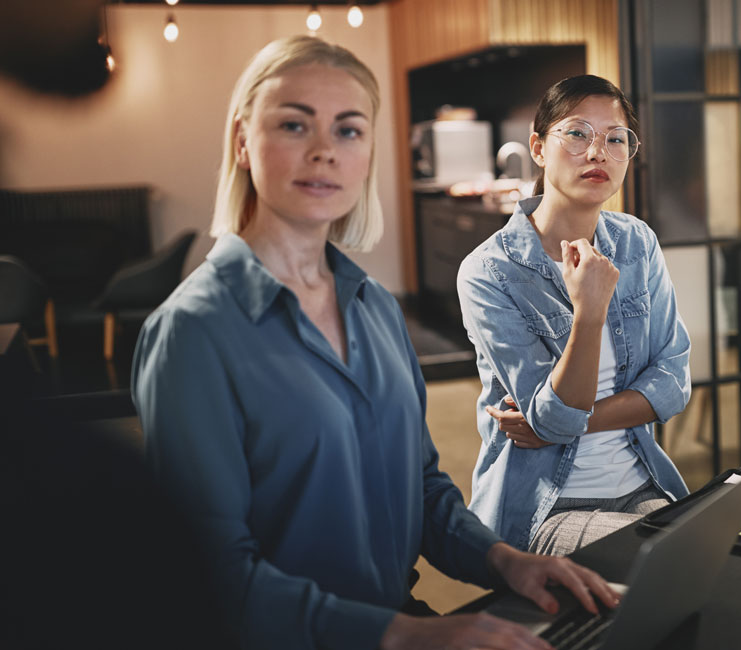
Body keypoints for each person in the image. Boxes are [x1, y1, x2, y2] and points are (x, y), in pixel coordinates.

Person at [131, 36, 617, 650]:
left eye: (349, 130)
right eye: (293, 124)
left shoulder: (376, 308)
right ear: (242, 142)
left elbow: (424, 491)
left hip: (397, 619)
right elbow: (213, 579)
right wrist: (406, 635)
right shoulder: (192, 334)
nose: (323, 152)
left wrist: (503, 561)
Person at [457, 75, 691, 556]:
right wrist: (588, 313)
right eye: (579, 133)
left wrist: (567, 422)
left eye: (615, 138)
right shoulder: (489, 271)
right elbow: (555, 422)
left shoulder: (635, 242)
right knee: (659, 560)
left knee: (706, 554)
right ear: (539, 148)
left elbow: (673, 383)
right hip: (549, 505)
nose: (598, 152)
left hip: (640, 478)